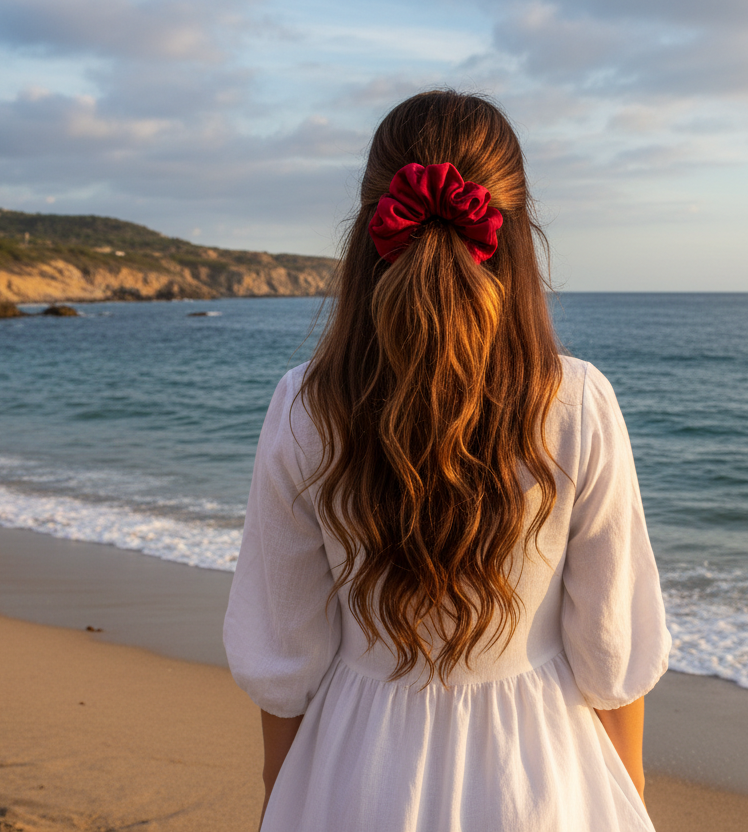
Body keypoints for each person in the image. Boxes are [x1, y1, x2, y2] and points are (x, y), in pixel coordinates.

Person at [223, 90, 671, 831]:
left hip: (353, 775)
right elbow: (609, 656)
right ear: (517, 233)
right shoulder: (579, 402)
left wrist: (282, 797)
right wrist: (631, 794)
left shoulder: (305, 406)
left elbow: (283, 658)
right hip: (537, 780)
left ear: (366, 233)